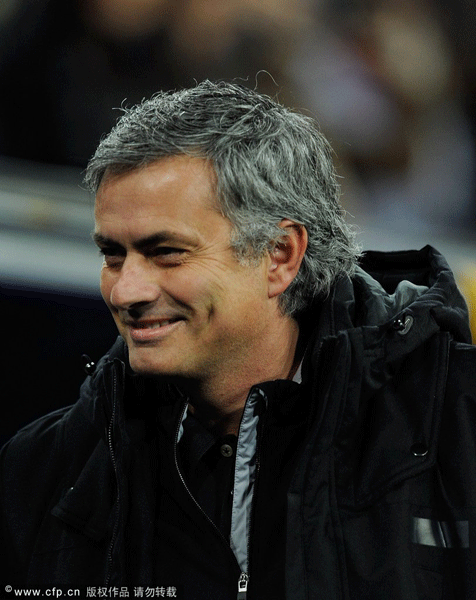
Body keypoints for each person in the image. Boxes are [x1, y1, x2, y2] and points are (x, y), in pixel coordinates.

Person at [1, 81, 475, 599]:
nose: (125, 290)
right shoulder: (40, 471)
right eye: (113, 255)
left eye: (166, 252)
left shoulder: (460, 429)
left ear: (280, 256)